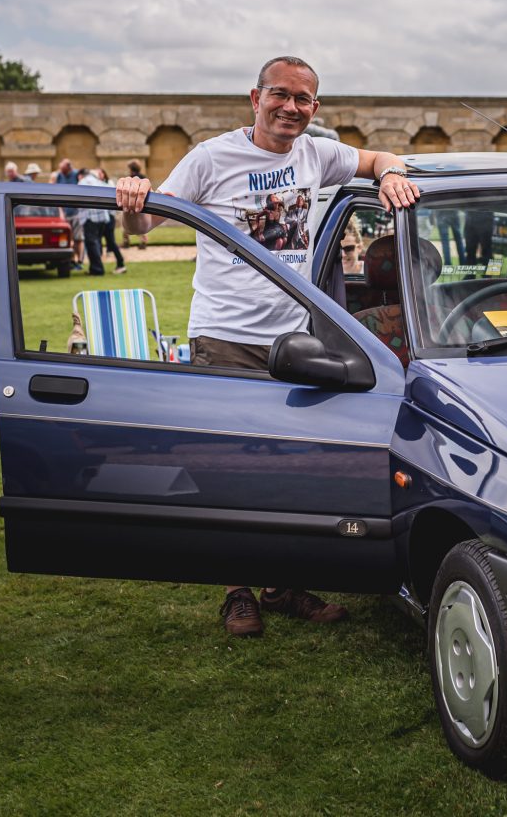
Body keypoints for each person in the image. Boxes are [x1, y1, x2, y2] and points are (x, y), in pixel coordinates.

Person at [116, 55, 419, 637]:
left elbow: (380, 155)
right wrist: (134, 197)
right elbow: (144, 227)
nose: (291, 108)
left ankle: (283, 584)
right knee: (226, 469)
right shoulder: (210, 156)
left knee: (289, 467)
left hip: (295, 340)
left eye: (303, 99)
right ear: (254, 99)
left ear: (315, 108)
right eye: (280, 95)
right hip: (226, 337)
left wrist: (386, 175)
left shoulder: (318, 153)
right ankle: (237, 591)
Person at [75, 168, 111, 276]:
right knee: (97, 242)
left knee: (91, 243)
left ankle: (97, 269)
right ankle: (95, 267)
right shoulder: (99, 181)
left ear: (80, 175)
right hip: (103, 217)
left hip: (90, 217)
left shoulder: (82, 182)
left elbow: (77, 199)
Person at [51, 159, 84, 268]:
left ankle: (80, 261)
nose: (62, 172)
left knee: (78, 238)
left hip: (76, 212)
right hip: (64, 213)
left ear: (69, 168)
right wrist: (60, 211)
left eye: (63, 170)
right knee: (68, 239)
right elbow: (55, 193)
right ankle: (71, 261)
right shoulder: (59, 176)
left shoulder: (76, 175)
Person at [96, 168, 127, 274]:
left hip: (108, 218)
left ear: (104, 174)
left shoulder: (108, 184)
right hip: (103, 218)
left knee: (110, 242)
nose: (98, 175)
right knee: (100, 240)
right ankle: (98, 265)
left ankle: (121, 263)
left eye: (100, 173)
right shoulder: (101, 183)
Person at [120, 160, 148, 250]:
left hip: (131, 204)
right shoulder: (143, 177)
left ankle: (126, 242)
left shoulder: (131, 178)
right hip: (141, 204)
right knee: (141, 225)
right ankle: (143, 242)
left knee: (126, 225)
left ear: (131, 169)